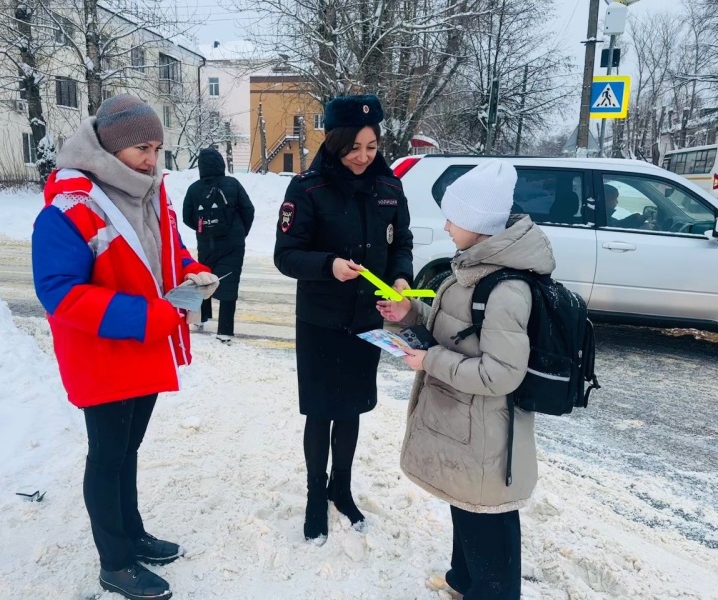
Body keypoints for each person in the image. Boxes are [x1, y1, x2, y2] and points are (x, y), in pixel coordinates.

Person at [32, 94, 219, 600]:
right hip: (103, 353)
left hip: (144, 345)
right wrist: (145, 316)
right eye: (142, 147)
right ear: (111, 146)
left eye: (157, 148)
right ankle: (114, 562)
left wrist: (192, 270)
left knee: (127, 451)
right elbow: (59, 291)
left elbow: (166, 249)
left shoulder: (148, 193)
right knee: (108, 454)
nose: (152, 159)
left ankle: (132, 533)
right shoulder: (71, 204)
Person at [377, 159, 554, 600]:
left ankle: (485, 590)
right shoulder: (470, 268)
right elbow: (456, 332)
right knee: (467, 511)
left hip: (487, 435)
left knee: (488, 525)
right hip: (466, 426)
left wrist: (429, 361)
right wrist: (410, 315)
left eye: (454, 217)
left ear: (477, 223)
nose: (447, 225)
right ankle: (463, 581)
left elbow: (500, 374)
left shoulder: (505, 289)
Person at [273, 94, 414, 542]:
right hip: (320, 320)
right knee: (320, 412)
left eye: (371, 146)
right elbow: (286, 255)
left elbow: (402, 243)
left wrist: (402, 277)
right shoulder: (308, 188)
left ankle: (342, 489)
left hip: (365, 320)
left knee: (351, 409)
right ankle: (316, 495)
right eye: (354, 146)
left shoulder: (390, 188)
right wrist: (328, 265)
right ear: (334, 142)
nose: (362, 156)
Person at [182, 148, 255, 342]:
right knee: (229, 282)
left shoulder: (194, 189)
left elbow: (187, 217)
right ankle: (225, 330)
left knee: (205, 277)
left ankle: (202, 318)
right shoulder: (233, 184)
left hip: (207, 243)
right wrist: (240, 231)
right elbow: (248, 209)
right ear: (221, 164)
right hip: (233, 244)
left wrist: (204, 230)